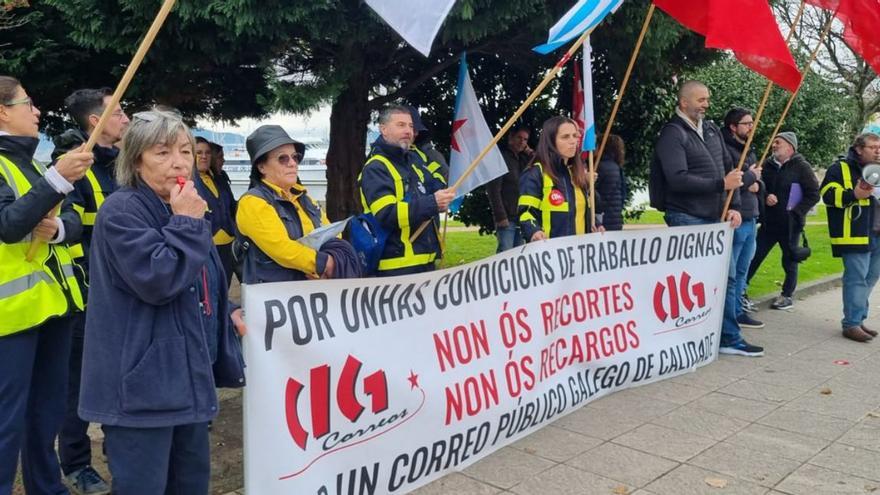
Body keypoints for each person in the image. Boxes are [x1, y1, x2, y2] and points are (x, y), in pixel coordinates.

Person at [79, 109, 245, 494]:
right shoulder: (123, 211)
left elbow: (200, 280)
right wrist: (187, 222)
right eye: (162, 152)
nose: (178, 162)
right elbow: (159, 280)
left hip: (185, 379)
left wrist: (226, 310)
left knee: (189, 485)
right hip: (140, 387)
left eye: (185, 151)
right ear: (136, 159)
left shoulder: (181, 204)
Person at [0, 76, 93, 495]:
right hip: (10, 319)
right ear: (2, 111)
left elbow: (73, 216)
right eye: (28, 103)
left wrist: (58, 228)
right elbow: (8, 224)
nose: (37, 112)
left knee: (47, 414)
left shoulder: (33, 163)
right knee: (7, 421)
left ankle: (47, 487)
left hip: (54, 306)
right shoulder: (35, 169)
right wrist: (55, 179)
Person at [52, 87, 129, 495]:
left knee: (120, 378)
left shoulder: (122, 166)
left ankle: (121, 453)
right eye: (118, 113)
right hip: (86, 296)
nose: (126, 120)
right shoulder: (73, 169)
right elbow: (67, 229)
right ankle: (76, 464)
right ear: (93, 121)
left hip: (124, 293)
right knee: (79, 385)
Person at [652, 81, 763, 357]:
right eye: (700, 99)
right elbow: (677, 179)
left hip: (715, 217)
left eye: (707, 99)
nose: (706, 104)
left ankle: (726, 335)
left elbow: (729, 170)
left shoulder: (711, 129)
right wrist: (720, 186)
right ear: (683, 103)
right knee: (692, 281)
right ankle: (689, 337)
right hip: (686, 216)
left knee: (725, 278)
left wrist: (734, 204)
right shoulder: (672, 134)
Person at [236, 125, 345, 282]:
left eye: (295, 157)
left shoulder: (305, 199)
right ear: (261, 167)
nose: (293, 163)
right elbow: (282, 249)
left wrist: (332, 259)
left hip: (306, 295)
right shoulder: (252, 203)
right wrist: (324, 264)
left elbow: (332, 234)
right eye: (283, 158)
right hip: (272, 299)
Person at [359, 105, 454, 276]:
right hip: (395, 268)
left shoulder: (415, 161)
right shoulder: (376, 167)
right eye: (401, 125)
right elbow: (386, 214)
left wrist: (443, 199)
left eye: (410, 126)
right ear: (384, 130)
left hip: (426, 262)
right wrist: (433, 203)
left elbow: (434, 189)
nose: (408, 131)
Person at [746, 132, 819, 311]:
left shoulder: (802, 167)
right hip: (769, 222)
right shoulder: (766, 165)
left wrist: (796, 212)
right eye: (773, 142)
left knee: (790, 260)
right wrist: (765, 196)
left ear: (790, 147)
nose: (774, 145)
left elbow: (813, 194)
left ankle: (787, 295)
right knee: (753, 256)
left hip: (790, 225)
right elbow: (759, 186)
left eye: (778, 142)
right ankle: (741, 291)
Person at [820, 132, 880, 342]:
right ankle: (851, 324)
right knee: (856, 279)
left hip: (877, 234)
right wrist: (854, 195)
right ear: (858, 149)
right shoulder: (840, 168)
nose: (878, 151)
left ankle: (858, 319)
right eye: (873, 147)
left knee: (870, 279)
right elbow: (827, 194)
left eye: (879, 147)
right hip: (855, 234)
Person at [518, 115, 603, 241]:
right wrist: (533, 232)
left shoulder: (576, 174)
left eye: (575, 136)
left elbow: (583, 211)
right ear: (551, 141)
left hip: (580, 254)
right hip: (550, 254)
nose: (573, 141)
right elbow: (526, 212)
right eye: (565, 137)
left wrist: (596, 225)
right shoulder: (535, 173)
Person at [721, 107, 764, 330]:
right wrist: (751, 178)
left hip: (751, 216)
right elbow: (732, 182)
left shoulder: (749, 150)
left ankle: (738, 311)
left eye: (751, 123)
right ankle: (729, 316)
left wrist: (756, 181)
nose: (751, 127)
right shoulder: (726, 150)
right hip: (737, 218)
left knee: (742, 271)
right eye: (746, 123)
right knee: (731, 272)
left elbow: (757, 180)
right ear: (733, 127)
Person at [195, 136, 237, 286]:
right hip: (207, 245)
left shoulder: (219, 178)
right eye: (199, 153)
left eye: (207, 152)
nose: (204, 156)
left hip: (228, 243)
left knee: (224, 286)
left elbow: (231, 205)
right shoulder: (188, 181)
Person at [487, 126, 531, 252]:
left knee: (519, 255)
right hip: (507, 218)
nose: (522, 142)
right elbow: (493, 190)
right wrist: (500, 216)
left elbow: (542, 164)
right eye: (519, 137)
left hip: (521, 217)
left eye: (525, 139)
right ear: (510, 138)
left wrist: (529, 152)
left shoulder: (524, 159)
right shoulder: (500, 158)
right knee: (505, 253)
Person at [407, 105, 449, 181]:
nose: (415, 133)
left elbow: (448, 184)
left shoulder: (431, 156)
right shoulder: (384, 155)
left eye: (414, 129)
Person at [595, 134, 627, 231]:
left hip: (603, 220)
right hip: (615, 218)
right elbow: (624, 193)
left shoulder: (599, 167)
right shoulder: (616, 167)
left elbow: (592, 193)